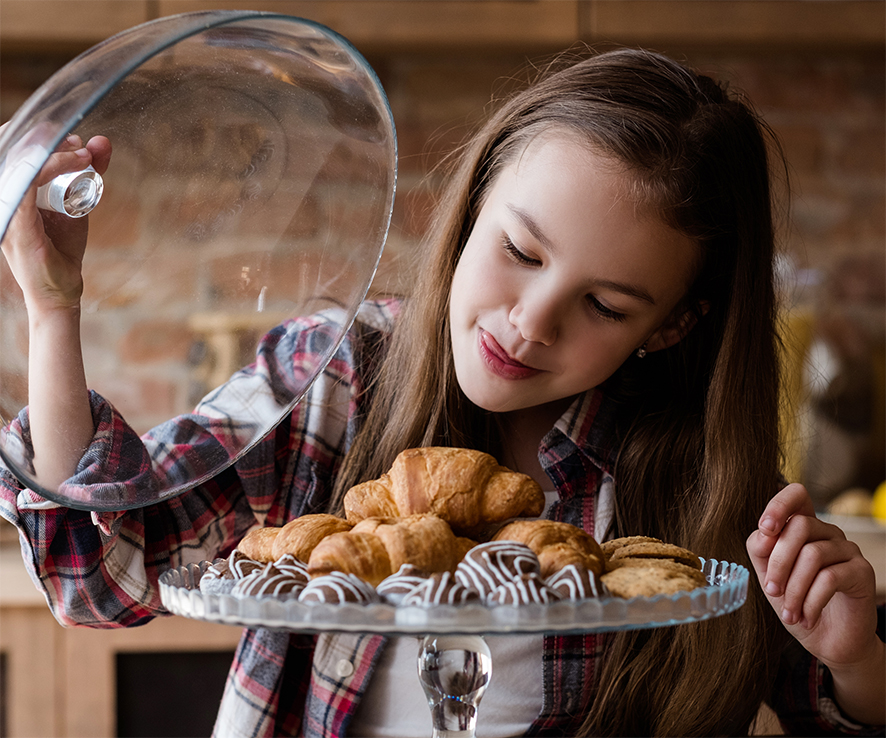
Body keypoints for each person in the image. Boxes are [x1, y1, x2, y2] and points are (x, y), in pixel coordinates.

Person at [0, 47, 883, 738]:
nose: (531, 322)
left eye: (605, 305)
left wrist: (857, 663)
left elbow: (822, 709)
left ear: (671, 328)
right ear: (472, 205)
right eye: (522, 253)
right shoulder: (340, 381)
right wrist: (52, 308)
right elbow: (106, 569)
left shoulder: (704, 483)